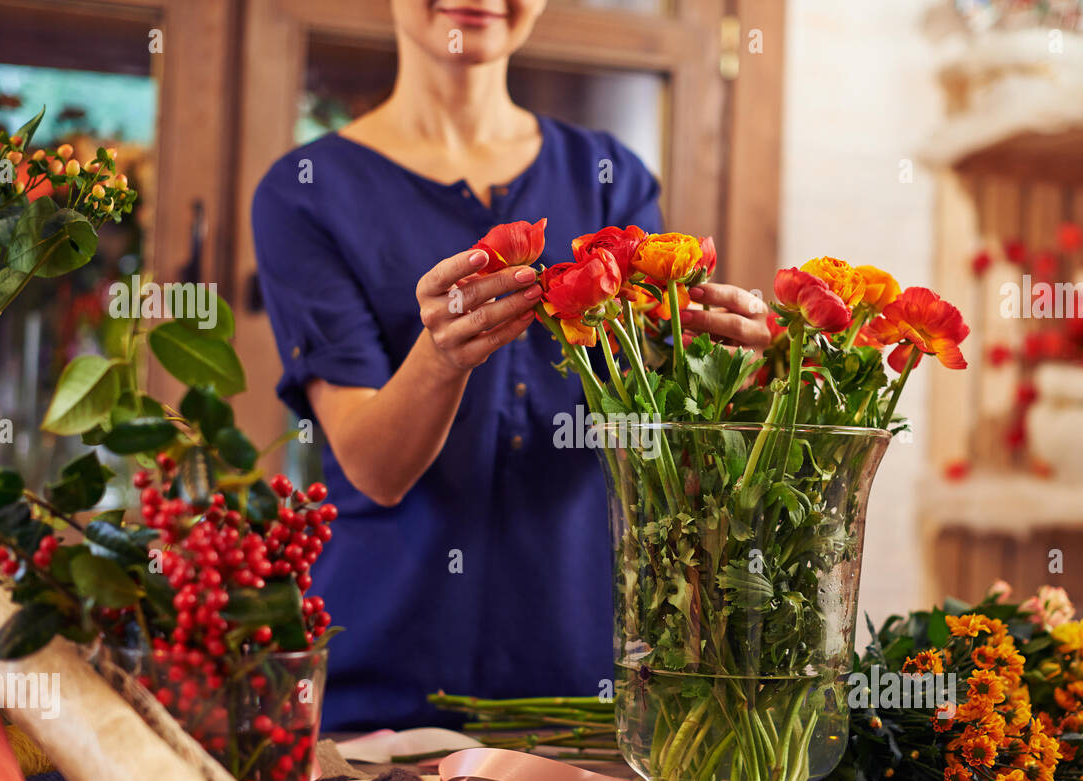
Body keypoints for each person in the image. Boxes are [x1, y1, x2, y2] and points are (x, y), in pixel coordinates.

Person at [251, 0, 771, 730]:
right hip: (383, 689)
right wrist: (438, 358)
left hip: (584, 676)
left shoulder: (611, 178)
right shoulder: (305, 190)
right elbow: (373, 466)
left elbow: (664, 446)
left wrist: (749, 372)